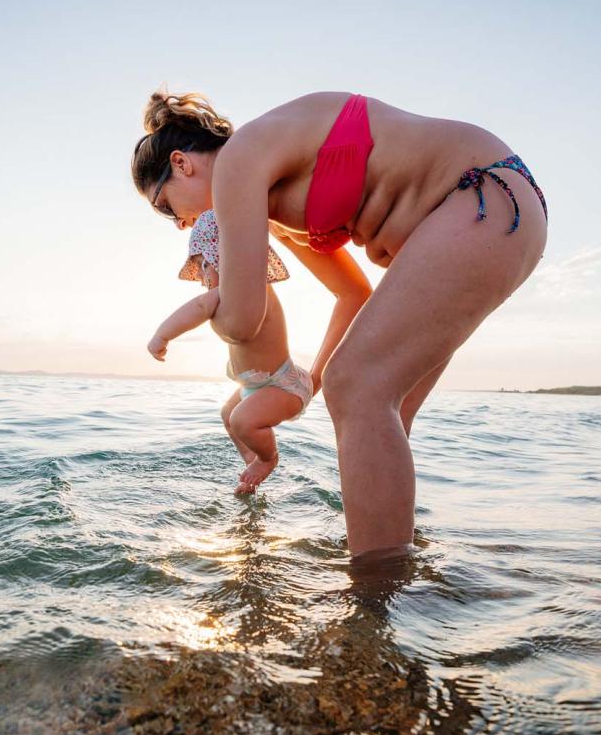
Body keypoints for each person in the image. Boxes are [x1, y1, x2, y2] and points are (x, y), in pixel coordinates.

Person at [131, 89, 548, 557]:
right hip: (492, 207)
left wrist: (208, 299)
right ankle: (402, 581)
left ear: (182, 163)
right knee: (383, 410)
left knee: (361, 387)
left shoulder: (240, 158)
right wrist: (312, 381)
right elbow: (352, 295)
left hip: (482, 196)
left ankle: (371, 605)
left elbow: (243, 323)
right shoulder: (271, 198)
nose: (180, 226)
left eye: (165, 206)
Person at [147, 209, 313, 495]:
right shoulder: (232, 296)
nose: (201, 278)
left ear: (219, 260)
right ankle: (251, 459)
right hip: (256, 384)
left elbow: (198, 308)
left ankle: (267, 458)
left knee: (242, 420)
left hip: (282, 385)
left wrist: (162, 335)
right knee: (228, 414)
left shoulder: (245, 290)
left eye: (203, 267)